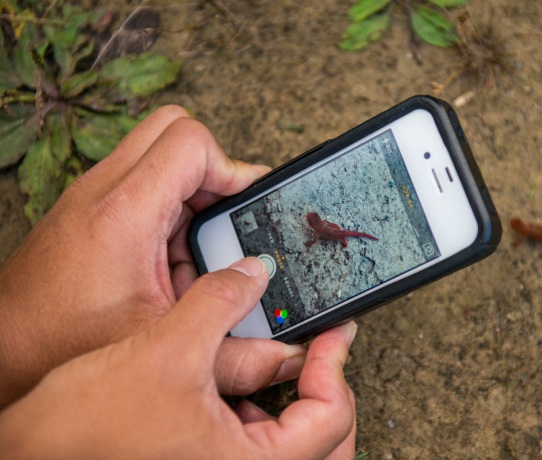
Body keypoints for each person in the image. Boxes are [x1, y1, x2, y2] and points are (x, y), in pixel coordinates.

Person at [0, 106, 357, 458]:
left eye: (313, 222)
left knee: (345, 237)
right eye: (312, 223)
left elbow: (326, 233)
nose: (312, 223)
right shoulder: (316, 227)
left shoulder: (325, 231)